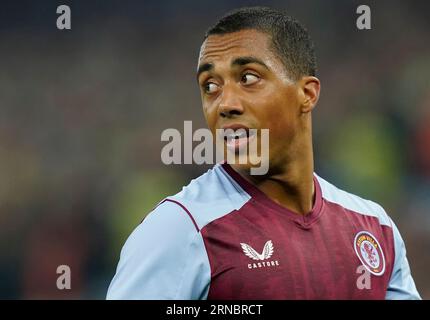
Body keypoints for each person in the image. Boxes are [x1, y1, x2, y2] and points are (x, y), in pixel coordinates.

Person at [106, 6, 420, 299]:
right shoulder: (180, 230)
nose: (225, 104)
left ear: (306, 94)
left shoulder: (374, 227)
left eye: (249, 79)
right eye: (210, 86)